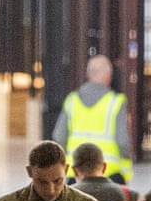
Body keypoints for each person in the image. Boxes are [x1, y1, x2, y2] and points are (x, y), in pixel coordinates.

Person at [52, 54, 133, 183]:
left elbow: (59, 136)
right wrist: (127, 161)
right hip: (109, 173)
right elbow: (122, 142)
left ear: (88, 74)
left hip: (76, 173)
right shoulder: (116, 102)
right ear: (108, 75)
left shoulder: (72, 100)